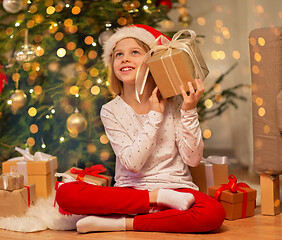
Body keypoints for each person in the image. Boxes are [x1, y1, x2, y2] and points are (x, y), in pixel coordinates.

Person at [56, 24, 226, 233]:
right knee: (66, 194)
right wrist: (155, 115)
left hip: (176, 190)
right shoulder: (110, 110)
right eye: (118, 54)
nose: (125, 58)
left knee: (213, 213)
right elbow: (132, 164)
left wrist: (189, 110)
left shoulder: (176, 103)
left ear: (153, 60)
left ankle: (122, 223)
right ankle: (155, 204)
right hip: (131, 193)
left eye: (134, 52)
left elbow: (192, 160)